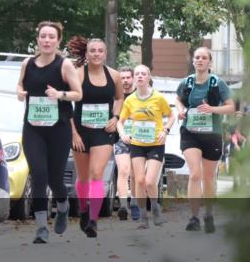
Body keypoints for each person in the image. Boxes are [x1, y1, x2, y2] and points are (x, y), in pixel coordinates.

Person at [17, 21, 83, 244]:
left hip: (58, 130)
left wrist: (60, 94)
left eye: (51, 37)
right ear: (37, 39)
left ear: (58, 41)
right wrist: (20, 93)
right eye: (43, 36)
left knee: (55, 179)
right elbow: (19, 86)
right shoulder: (27, 63)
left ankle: (63, 206)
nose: (46, 40)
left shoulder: (64, 65)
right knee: (38, 173)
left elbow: (78, 94)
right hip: (33, 128)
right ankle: (41, 227)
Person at [67, 37, 124, 238]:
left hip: (103, 131)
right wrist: (73, 133)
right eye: (93, 50)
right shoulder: (78, 74)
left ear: (105, 53)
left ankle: (93, 219)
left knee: (97, 173)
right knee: (83, 177)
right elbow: (66, 106)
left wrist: (115, 117)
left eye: (100, 50)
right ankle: (83, 209)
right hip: (80, 132)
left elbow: (119, 98)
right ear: (87, 53)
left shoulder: (114, 76)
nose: (96, 54)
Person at [175, 47, 235, 233]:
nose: (200, 60)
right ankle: (194, 218)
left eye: (203, 58)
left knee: (208, 178)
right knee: (195, 174)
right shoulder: (187, 82)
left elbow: (231, 107)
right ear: (193, 61)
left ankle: (208, 214)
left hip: (212, 135)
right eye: (197, 57)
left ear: (210, 62)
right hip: (190, 133)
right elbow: (177, 99)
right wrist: (181, 111)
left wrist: (212, 109)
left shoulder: (218, 83)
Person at [118, 65, 174, 229]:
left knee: (150, 182)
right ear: (134, 78)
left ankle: (156, 209)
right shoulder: (130, 100)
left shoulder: (158, 97)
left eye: (143, 74)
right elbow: (120, 122)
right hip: (137, 144)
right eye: (137, 74)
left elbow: (171, 116)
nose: (140, 76)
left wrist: (165, 130)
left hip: (156, 144)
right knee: (139, 180)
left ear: (149, 77)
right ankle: (143, 217)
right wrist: (123, 134)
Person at [114, 66, 138, 221]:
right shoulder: (116, 97)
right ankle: (123, 206)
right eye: (122, 78)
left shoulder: (141, 95)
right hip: (120, 139)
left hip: (139, 139)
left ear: (133, 78)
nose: (125, 81)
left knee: (135, 174)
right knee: (123, 170)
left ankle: (134, 203)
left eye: (128, 77)